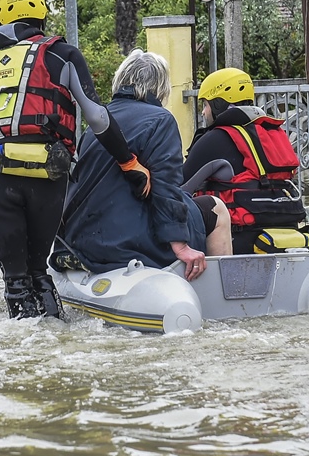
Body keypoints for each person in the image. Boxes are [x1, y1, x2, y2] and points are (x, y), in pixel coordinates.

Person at [0, 0, 153, 320]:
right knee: (40, 272)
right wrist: (128, 161)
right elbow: (97, 117)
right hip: (49, 171)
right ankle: (56, 336)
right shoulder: (62, 54)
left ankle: (24, 353)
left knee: (14, 280)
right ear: (42, 14)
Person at [56, 50, 232, 282]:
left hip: (84, 241)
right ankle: (224, 292)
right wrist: (180, 246)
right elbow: (166, 187)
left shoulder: (98, 122)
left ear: (120, 81)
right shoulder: (161, 119)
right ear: (160, 87)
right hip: (128, 242)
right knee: (216, 208)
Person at [182, 67, 309, 255]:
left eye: (205, 104)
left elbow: (179, 186)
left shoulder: (216, 138)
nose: (203, 112)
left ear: (218, 104)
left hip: (241, 236)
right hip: (284, 234)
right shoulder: (271, 132)